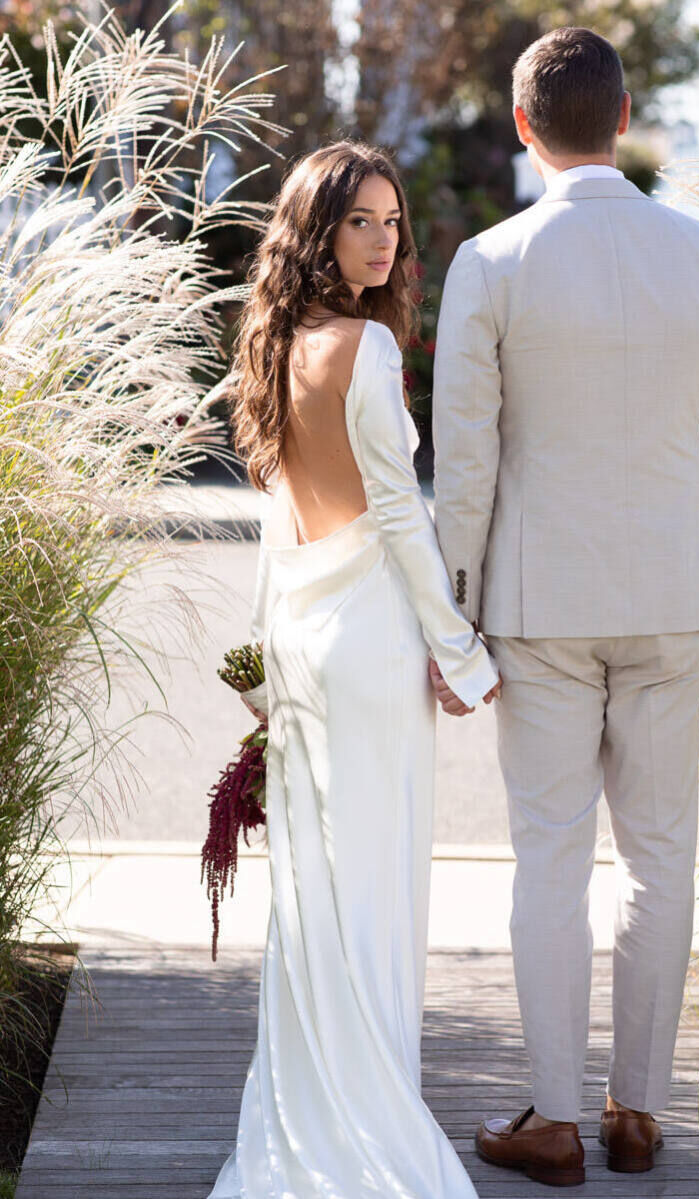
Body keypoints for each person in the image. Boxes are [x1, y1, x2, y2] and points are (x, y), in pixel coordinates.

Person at [431, 25, 699, 1187]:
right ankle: (640, 1111)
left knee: (550, 860)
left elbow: (465, 465)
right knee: (664, 859)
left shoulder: (491, 262)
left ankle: (557, 1119)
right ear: (624, 118)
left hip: (537, 603)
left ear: (525, 126)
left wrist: (453, 613)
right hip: (676, 594)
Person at [206, 140, 501, 1199]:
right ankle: (369, 1114)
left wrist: (256, 658)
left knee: (316, 894)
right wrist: (460, 648)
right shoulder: (367, 353)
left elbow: (279, 518)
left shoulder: (275, 341)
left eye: (392, 222)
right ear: (318, 229)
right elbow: (399, 518)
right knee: (374, 890)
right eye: (362, 221)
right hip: (370, 638)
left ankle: (317, 1108)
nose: (384, 240)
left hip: (302, 640)